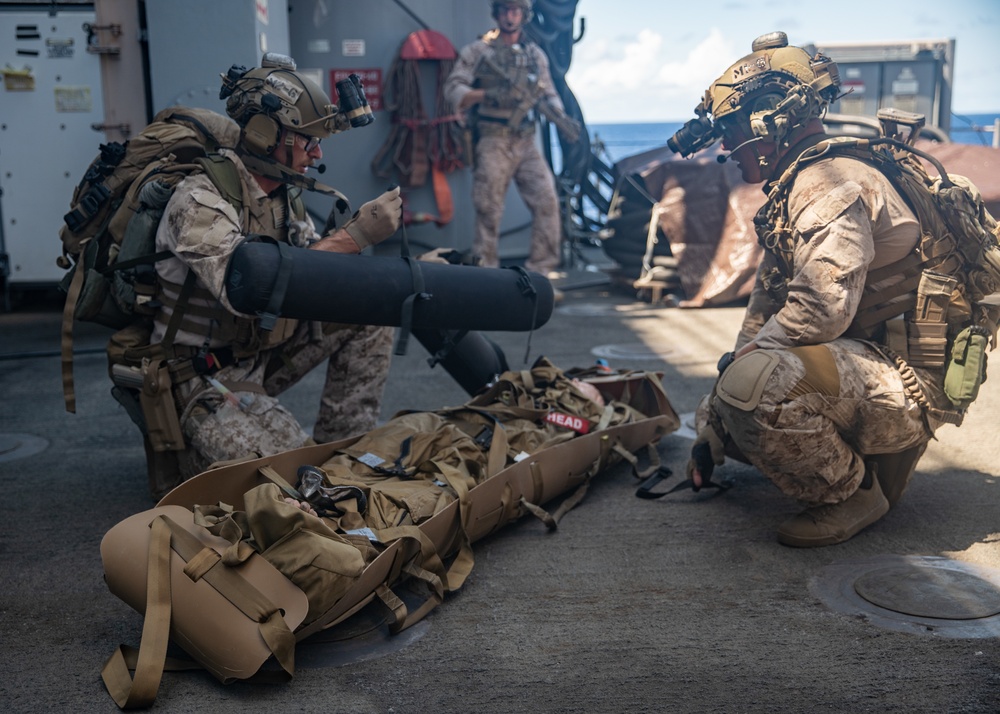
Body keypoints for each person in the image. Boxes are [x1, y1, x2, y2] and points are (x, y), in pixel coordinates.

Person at [673, 32, 970, 547]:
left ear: (770, 121)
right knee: (739, 382)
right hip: (871, 365)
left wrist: (736, 393)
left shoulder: (827, 184)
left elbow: (820, 310)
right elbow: (766, 312)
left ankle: (852, 492)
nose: (726, 145)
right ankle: (841, 455)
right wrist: (713, 421)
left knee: (753, 387)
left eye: (732, 128)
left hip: (908, 385)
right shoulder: (801, 184)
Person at [123, 53, 402, 495]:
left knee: (368, 315)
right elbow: (249, 287)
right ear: (264, 135)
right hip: (196, 378)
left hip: (255, 357)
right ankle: (206, 447)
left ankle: (343, 450)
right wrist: (353, 239)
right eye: (306, 140)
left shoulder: (280, 197)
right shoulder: (198, 198)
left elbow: (314, 279)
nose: (317, 153)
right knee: (294, 486)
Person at [443, 0, 574, 276]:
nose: (510, 17)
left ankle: (541, 272)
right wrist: (488, 95)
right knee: (488, 209)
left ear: (524, 15)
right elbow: (454, 90)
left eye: (515, 11)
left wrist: (560, 117)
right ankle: (486, 273)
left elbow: (549, 92)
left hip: (526, 141)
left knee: (547, 201)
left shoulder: (535, 55)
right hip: (494, 140)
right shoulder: (479, 51)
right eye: (505, 11)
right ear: (497, 14)